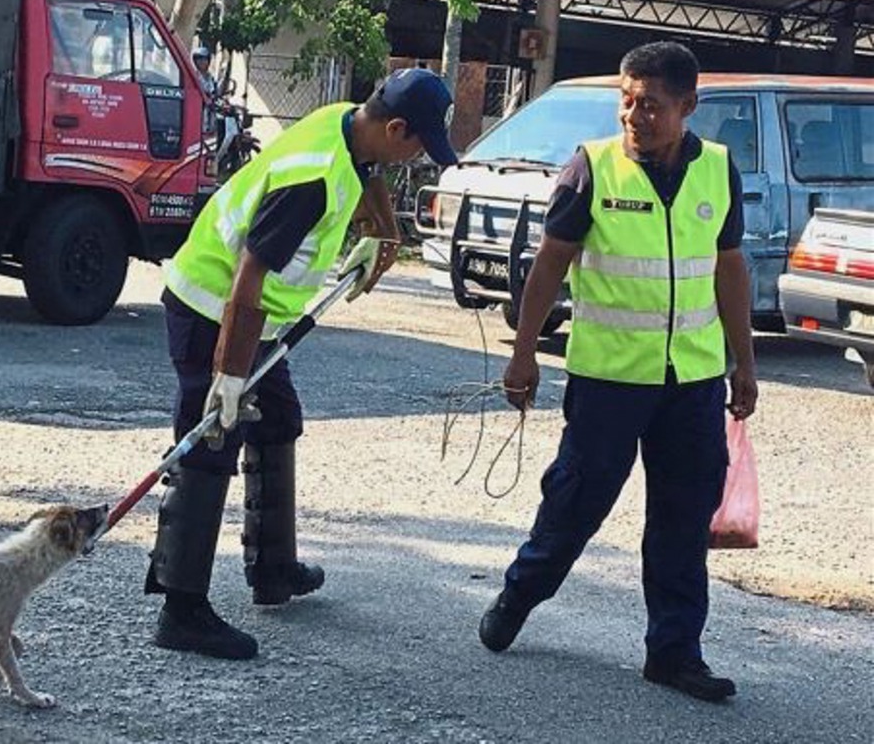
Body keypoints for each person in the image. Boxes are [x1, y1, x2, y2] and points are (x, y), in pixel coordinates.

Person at [478, 42, 759, 702]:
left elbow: (729, 268)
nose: (635, 115)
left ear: (688, 107)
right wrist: (523, 352)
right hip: (607, 381)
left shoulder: (718, 170)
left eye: (652, 105)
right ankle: (520, 593)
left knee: (683, 521)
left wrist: (743, 362)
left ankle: (674, 651)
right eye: (626, 101)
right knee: (575, 504)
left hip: (690, 385)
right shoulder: (592, 167)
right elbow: (549, 264)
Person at [147, 68, 459, 660]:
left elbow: (368, 176)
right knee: (213, 440)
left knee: (279, 421)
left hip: (257, 319)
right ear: (396, 128)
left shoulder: (348, 123)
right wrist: (229, 377)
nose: (416, 155)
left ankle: (274, 569)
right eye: (417, 144)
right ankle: (180, 609)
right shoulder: (311, 179)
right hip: (212, 306)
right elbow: (248, 280)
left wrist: (386, 236)